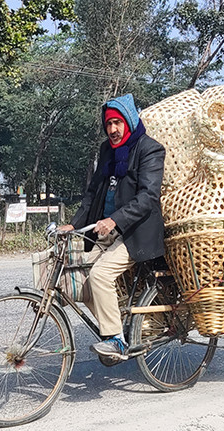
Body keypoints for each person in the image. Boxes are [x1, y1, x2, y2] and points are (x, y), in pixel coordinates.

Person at [58, 94, 166, 361]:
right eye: (108, 124)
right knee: (80, 284)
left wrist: (115, 219)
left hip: (135, 233)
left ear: (129, 121)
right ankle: (115, 328)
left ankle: (116, 341)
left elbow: (148, 197)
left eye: (117, 123)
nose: (113, 130)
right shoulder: (107, 150)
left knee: (100, 276)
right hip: (104, 230)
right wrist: (74, 223)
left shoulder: (150, 149)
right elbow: (93, 191)